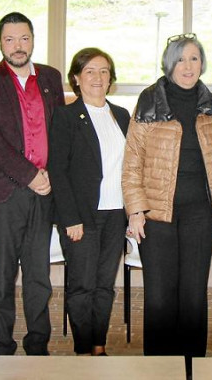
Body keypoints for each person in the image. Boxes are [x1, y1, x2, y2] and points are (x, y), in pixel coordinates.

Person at [122, 34, 212, 358]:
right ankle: (159, 367)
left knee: (193, 296)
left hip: (201, 214)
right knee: (160, 297)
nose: (187, 66)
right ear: (169, 63)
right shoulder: (150, 101)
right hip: (156, 214)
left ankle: (194, 365)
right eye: (181, 59)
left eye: (194, 59)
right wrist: (135, 210)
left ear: (202, 64)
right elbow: (132, 160)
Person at [0, 12, 65, 356]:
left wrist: (51, 175)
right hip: (6, 191)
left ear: (33, 39)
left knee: (39, 274)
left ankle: (38, 342)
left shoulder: (51, 78)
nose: (18, 46)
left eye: (23, 38)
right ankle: (3, 343)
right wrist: (30, 176)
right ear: (0, 43)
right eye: (10, 39)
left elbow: (60, 132)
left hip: (46, 192)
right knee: (4, 274)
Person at [49, 48, 129, 357]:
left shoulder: (121, 115)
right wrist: (70, 218)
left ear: (111, 78)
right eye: (90, 71)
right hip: (82, 216)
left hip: (115, 214)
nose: (98, 77)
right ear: (76, 78)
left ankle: (99, 345)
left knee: (104, 285)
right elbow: (58, 170)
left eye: (104, 71)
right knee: (82, 285)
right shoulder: (66, 116)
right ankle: (83, 349)